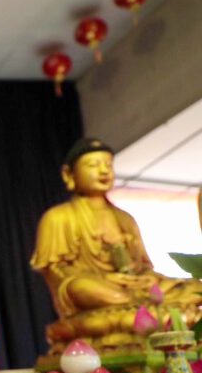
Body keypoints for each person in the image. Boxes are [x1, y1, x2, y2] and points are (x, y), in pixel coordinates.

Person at [31, 137, 202, 319]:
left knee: (194, 288)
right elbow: (56, 270)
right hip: (103, 288)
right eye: (93, 165)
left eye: (108, 164)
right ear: (69, 174)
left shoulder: (125, 218)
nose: (104, 170)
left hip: (134, 285)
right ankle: (145, 310)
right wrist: (105, 279)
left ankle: (144, 309)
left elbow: (144, 265)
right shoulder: (58, 218)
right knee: (87, 289)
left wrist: (146, 277)